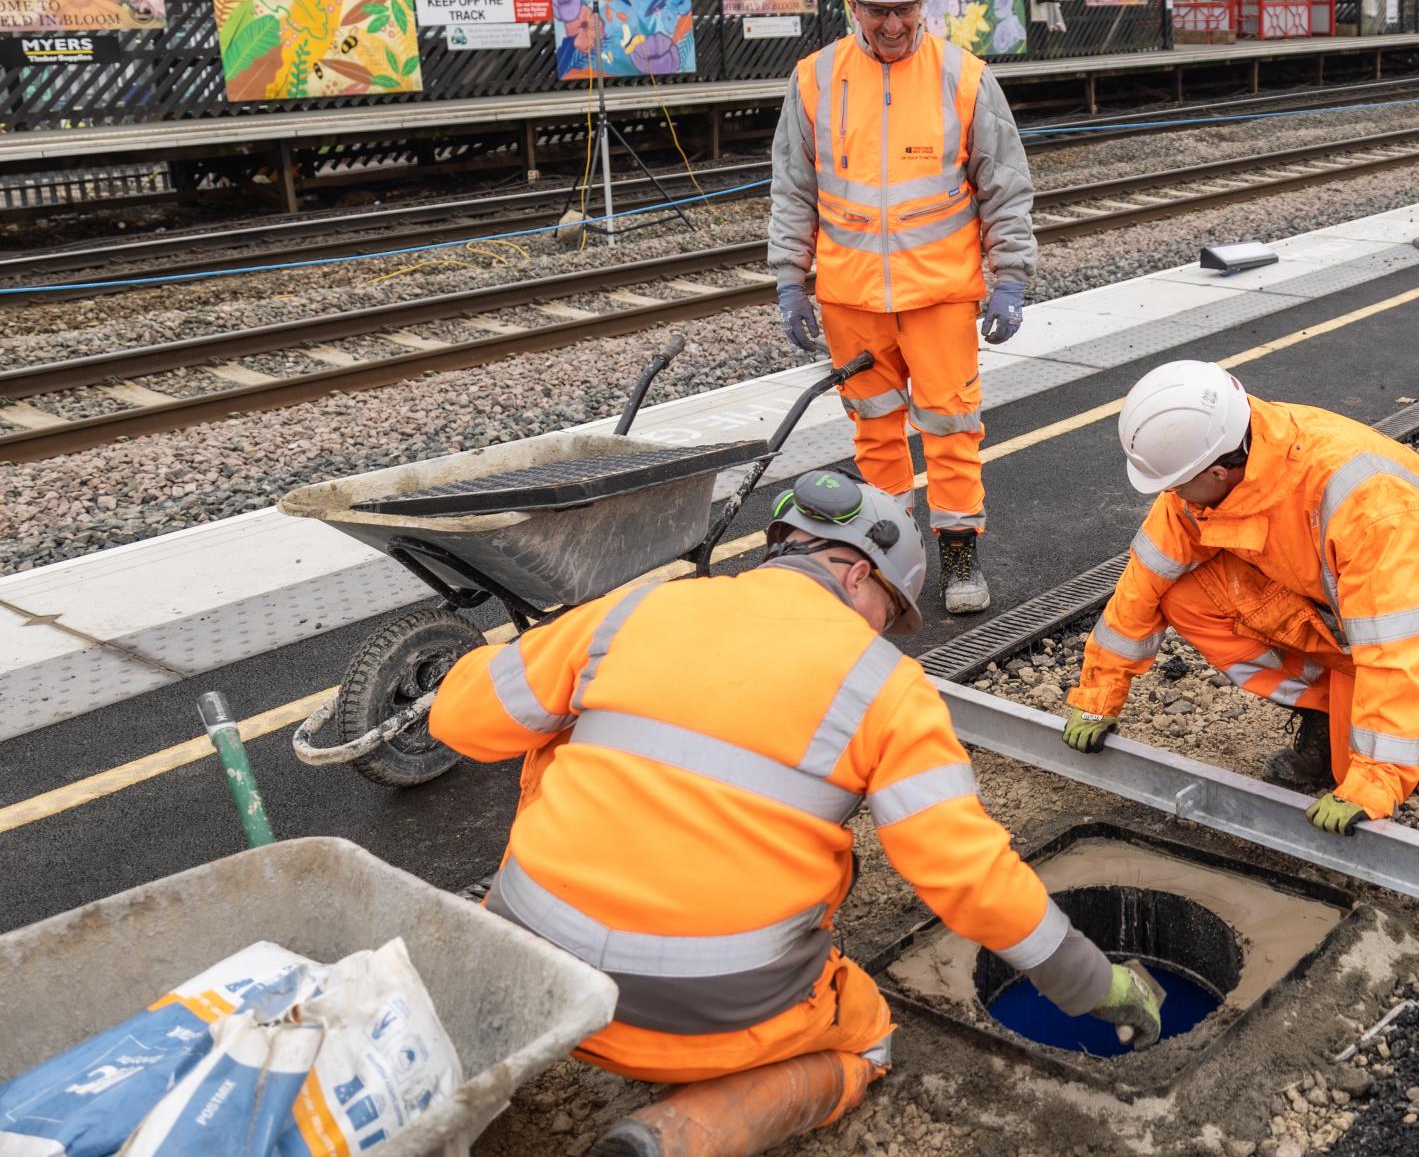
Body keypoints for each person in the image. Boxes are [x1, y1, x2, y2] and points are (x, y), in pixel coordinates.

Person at [431, 472, 1161, 1152]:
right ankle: (672, 1137)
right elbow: (967, 874)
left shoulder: (640, 607)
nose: (879, 633)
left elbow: (460, 720)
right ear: (857, 574)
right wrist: (1093, 982)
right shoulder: (887, 688)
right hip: (707, 1017)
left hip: (528, 975)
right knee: (867, 1037)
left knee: (558, 731)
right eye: (888, 612)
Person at [1059, 362, 1419, 835]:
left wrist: (1376, 778)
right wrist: (1100, 692)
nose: (1171, 494)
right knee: (1182, 596)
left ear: (1219, 471)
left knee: (1361, 765)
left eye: (1175, 484)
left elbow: (1396, 651)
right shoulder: (1222, 458)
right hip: (1333, 606)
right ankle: (1326, 711)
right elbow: (1145, 581)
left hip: (1411, 618)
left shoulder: (1375, 511)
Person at [767, 0, 1037, 616]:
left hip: (940, 296)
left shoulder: (964, 78)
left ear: (923, 2)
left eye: (904, 9)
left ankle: (959, 556)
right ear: (851, 5)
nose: (892, 25)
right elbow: (794, 190)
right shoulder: (814, 80)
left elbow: (1005, 186)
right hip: (852, 300)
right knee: (875, 434)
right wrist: (791, 280)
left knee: (952, 430)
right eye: (877, 10)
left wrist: (1010, 278)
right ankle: (892, 552)